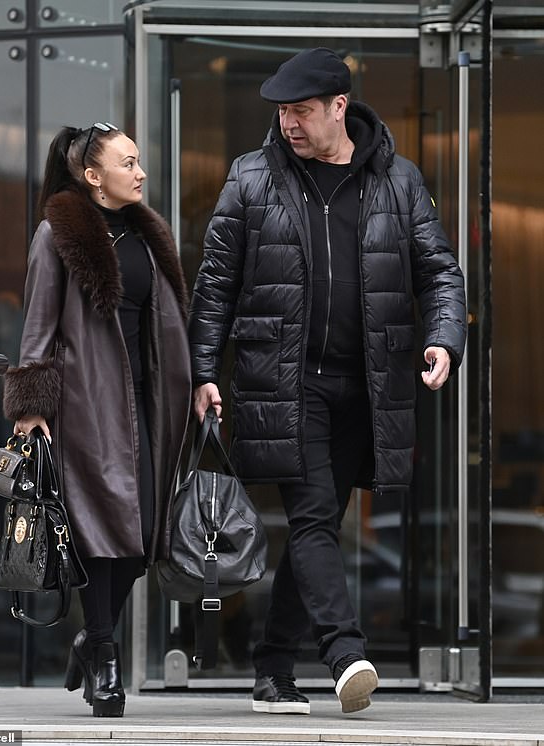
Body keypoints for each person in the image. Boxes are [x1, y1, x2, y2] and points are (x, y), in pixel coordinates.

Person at [188, 48, 467, 715]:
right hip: (285, 380)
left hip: (368, 384)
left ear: (340, 107)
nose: (289, 124)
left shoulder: (397, 181)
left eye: (303, 112)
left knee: (320, 523)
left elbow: (439, 272)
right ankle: (345, 654)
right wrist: (200, 371)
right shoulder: (252, 178)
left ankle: (272, 668)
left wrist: (443, 338)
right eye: (282, 113)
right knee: (313, 516)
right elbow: (215, 283)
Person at [2, 122, 191, 717]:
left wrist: (199, 383)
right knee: (102, 534)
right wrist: (31, 404)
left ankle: (88, 641)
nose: (139, 173)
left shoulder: (144, 235)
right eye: (127, 163)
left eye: (138, 162)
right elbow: (39, 320)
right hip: (86, 403)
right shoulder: (57, 235)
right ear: (93, 177)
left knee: (140, 539)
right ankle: (106, 657)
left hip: (149, 401)